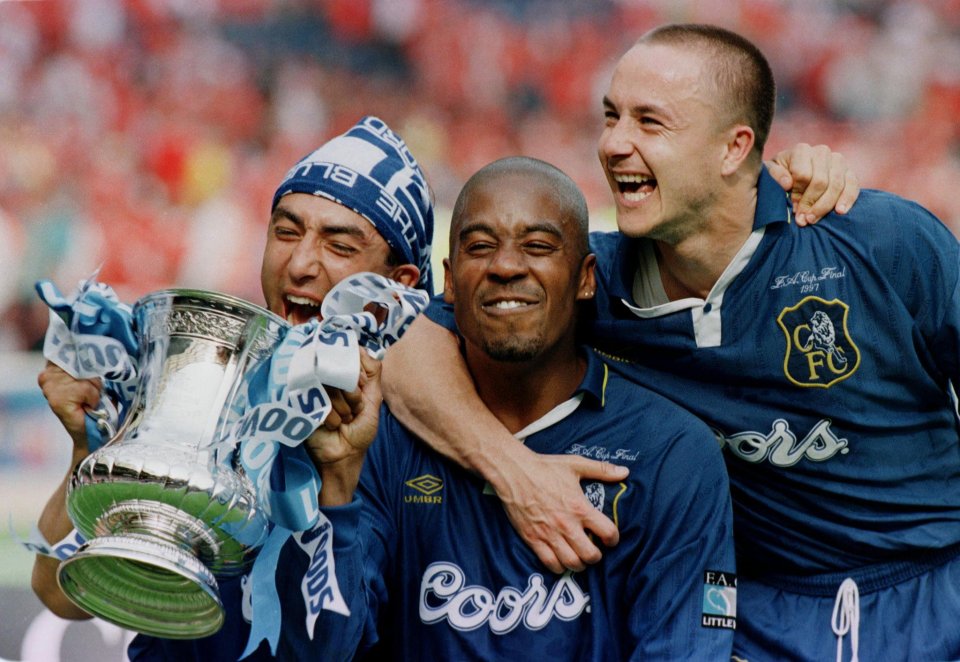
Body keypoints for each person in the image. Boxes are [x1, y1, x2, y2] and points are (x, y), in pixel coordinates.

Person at [381, 24, 960, 662]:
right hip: (759, 622)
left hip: (936, 593)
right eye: (610, 116)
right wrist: (513, 470)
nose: (613, 144)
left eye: (649, 123)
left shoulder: (882, 243)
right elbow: (410, 347)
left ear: (733, 147)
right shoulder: (586, 284)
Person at [295, 156, 737, 660]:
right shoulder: (378, 436)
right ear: (450, 281)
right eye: (480, 247)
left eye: (538, 246)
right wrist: (335, 484)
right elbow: (326, 647)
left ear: (586, 278)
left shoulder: (673, 454)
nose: (505, 267)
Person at [31, 115, 434, 660]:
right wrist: (90, 441)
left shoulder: (416, 442)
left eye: (338, 245)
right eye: (286, 232)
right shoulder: (203, 378)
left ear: (397, 285)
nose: (299, 263)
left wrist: (338, 481)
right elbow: (59, 591)